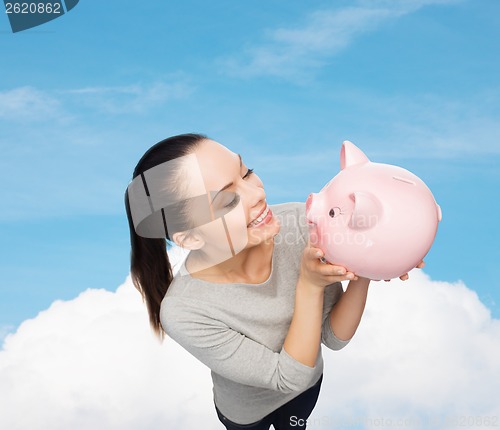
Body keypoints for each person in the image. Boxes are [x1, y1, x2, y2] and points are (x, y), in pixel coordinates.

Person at [124, 133, 423, 430]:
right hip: (244, 412)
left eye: (247, 173)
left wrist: (368, 262)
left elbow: (334, 337)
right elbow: (288, 376)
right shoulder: (185, 312)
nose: (257, 194)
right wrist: (309, 284)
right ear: (189, 237)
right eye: (227, 198)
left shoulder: (302, 222)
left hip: (304, 392)